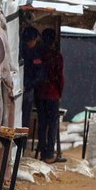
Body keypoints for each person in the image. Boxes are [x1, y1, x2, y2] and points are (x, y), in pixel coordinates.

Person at [36, 28, 64, 164]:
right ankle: (49, 153)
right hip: (53, 94)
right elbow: (60, 77)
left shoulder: (39, 54)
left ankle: (42, 152)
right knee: (52, 124)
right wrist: (60, 93)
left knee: (42, 123)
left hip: (40, 94)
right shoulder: (57, 56)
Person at [20, 27, 44, 128]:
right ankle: (21, 142)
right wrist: (27, 85)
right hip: (27, 90)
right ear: (32, 40)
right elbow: (40, 75)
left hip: (16, 88)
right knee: (24, 120)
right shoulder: (34, 55)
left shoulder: (17, 50)